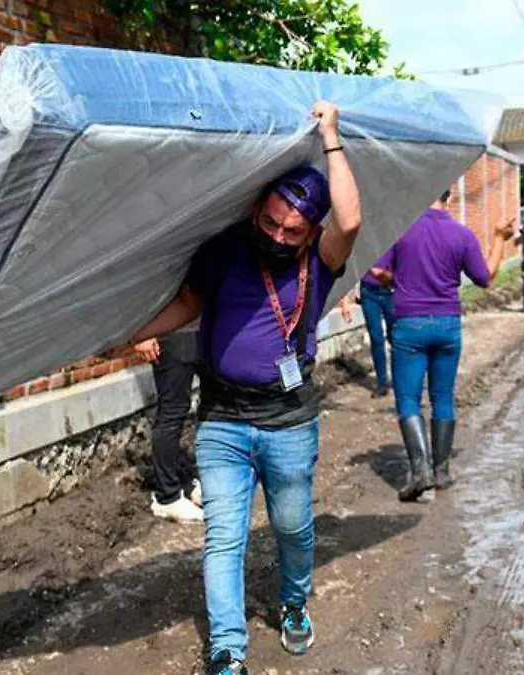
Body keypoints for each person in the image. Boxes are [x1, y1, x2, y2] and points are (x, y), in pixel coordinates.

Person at [122, 101, 360, 675]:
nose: (277, 234)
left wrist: (330, 136)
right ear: (258, 209)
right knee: (222, 538)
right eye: (270, 222)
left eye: (291, 230)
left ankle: (295, 603)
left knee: (293, 529)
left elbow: (350, 221)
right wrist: (133, 331)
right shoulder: (226, 248)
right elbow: (188, 304)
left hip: (289, 423)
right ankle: (227, 649)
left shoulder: (321, 260)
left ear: (310, 235)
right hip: (223, 421)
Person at [385, 192, 512, 501]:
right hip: (447, 324)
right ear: (448, 196)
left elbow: (376, 273)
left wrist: (402, 279)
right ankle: (441, 472)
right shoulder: (462, 234)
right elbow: (485, 278)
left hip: (410, 324)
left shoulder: (399, 230)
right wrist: (499, 238)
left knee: (409, 400)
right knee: (443, 397)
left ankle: (421, 471)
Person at [132, 332, 204, 523]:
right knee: (173, 411)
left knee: (212, 405)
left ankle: (189, 481)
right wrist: (142, 334)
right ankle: (167, 497)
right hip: (171, 334)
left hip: (204, 328)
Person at [357, 251, 395, 398]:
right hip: (369, 293)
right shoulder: (364, 242)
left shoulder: (394, 238)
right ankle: (382, 382)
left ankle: (399, 377)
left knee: (395, 337)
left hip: (390, 292)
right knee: (376, 337)